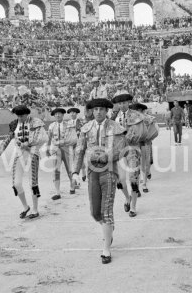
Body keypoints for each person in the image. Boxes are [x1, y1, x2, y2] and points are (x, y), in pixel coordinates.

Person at [71, 98, 126, 264]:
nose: (99, 112)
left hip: (109, 170)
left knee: (106, 210)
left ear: (107, 110)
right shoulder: (86, 128)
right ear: (92, 111)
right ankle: (108, 230)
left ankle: (106, 248)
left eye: (102, 109)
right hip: (92, 171)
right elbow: (79, 150)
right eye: (95, 110)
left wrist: (107, 156)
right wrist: (74, 172)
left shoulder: (116, 127)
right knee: (95, 212)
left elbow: (122, 149)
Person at [0, 105, 47, 219]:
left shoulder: (35, 122)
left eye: (22, 115)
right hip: (19, 155)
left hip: (33, 153)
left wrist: (28, 143)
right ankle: (25, 207)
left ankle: (35, 209)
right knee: (16, 183)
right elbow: (7, 139)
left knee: (33, 183)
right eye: (18, 115)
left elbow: (41, 138)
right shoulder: (14, 124)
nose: (20, 118)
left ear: (27, 114)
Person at [112, 91, 134, 212]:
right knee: (121, 179)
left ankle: (134, 199)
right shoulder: (115, 117)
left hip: (133, 149)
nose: (122, 105)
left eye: (124, 102)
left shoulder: (135, 115)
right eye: (120, 103)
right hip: (120, 149)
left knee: (133, 177)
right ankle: (127, 198)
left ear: (128, 102)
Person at [47, 107, 76, 199]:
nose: (58, 115)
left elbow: (73, 138)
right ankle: (57, 192)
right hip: (56, 149)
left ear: (63, 115)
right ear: (54, 116)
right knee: (56, 170)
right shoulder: (51, 126)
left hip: (66, 148)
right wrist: (48, 149)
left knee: (69, 169)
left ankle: (72, 186)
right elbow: (49, 139)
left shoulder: (68, 125)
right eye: (56, 114)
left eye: (59, 113)